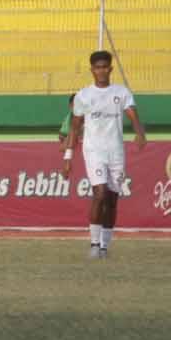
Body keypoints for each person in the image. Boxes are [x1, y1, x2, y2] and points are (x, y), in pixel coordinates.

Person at [62, 51, 149, 259]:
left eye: (105, 67)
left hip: (116, 151)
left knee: (112, 198)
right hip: (94, 150)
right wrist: (67, 157)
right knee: (99, 193)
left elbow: (132, 113)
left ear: (110, 69)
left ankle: (104, 247)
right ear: (92, 70)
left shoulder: (121, 92)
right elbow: (75, 127)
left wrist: (140, 133)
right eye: (97, 67)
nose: (101, 70)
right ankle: (93, 244)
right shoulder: (84, 95)